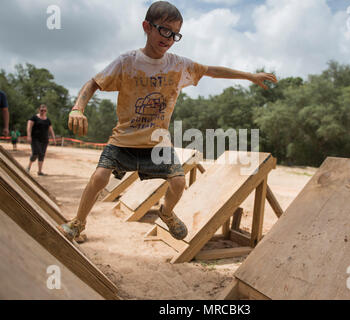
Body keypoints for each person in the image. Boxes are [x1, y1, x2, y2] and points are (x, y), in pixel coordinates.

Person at [58, 1, 277, 242]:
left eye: (175, 34)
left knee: (179, 182)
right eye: (164, 30)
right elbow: (93, 83)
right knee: (100, 176)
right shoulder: (127, 62)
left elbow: (212, 71)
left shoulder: (178, 65)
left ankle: (167, 212)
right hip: (124, 139)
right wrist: (77, 109)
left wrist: (249, 76)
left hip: (156, 143)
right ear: (147, 27)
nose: (169, 38)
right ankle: (79, 222)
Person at [27, 104, 57, 175]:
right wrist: (28, 136)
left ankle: (39, 171)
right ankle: (28, 167)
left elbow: (51, 130)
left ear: (46, 111)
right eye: (41, 110)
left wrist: (54, 139)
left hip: (44, 140)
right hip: (35, 139)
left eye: (44, 110)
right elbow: (29, 126)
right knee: (36, 153)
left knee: (42, 154)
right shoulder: (34, 118)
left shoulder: (48, 120)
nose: (43, 111)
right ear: (39, 110)